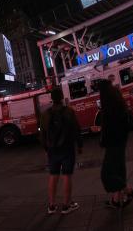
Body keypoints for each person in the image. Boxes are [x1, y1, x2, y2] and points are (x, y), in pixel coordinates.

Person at [40, 87, 82, 215]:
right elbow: (76, 129)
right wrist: (79, 145)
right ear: (62, 97)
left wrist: (46, 149)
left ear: (51, 99)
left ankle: (52, 206)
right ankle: (66, 205)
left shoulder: (45, 114)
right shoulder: (69, 111)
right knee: (66, 176)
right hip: (67, 148)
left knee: (53, 176)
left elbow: (43, 134)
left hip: (52, 149)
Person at [99, 80, 133, 209]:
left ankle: (127, 190)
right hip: (122, 139)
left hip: (113, 143)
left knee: (106, 173)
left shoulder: (108, 108)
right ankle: (116, 199)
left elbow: (109, 129)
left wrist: (102, 137)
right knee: (119, 168)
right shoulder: (118, 101)